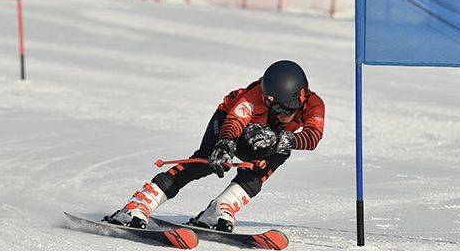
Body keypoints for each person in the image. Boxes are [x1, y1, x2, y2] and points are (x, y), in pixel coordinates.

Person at [104, 60, 325, 232]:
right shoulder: (253, 96)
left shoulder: (314, 104)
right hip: (229, 120)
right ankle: (139, 203)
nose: (282, 115)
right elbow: (235, 121)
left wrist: (281, 139)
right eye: (274, 108)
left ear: (302, 96)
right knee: (205, 162)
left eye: (288, 108)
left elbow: (313, 136)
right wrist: (225, 143)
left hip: (266, 137)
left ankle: (222, 206)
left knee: (273, 157)